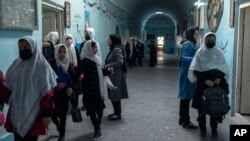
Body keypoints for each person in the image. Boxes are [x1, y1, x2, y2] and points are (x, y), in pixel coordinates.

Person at [0, 36, 57, 141]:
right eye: (20, 47)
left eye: (26, 47)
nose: (23, 50)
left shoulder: (42, 66)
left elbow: (47, 92)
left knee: (30, 138)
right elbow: (10, 88)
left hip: (34, 112)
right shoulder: (16, 64)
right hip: (17, 110)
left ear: (33, 47)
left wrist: (46, 114)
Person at [188, 32, 229, 139]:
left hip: (216, 83)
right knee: (201, 108)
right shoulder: (200, 53)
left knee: (215, 107)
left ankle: (214, 129)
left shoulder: (218, 53)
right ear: (205, 40)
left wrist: (218, 78)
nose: (211, 41)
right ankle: (203, 130)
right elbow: (195, 70)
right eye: (208, 39)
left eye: (212, 39)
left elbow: (223, 68)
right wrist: (205, 80)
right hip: (203, 83)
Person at [79, 40, 113, 140]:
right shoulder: (84, 61)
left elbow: (102, 72)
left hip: (98, 90)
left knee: (100, 111)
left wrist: (108, 71)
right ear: (88, 48)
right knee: (92, 110)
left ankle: (97, 125)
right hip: (88, 90)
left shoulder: (97, 59)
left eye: (96, 47)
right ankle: (97, 130)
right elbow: (78, 73)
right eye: (93, 47)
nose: (96, 49)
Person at [49, 44, 76, 141]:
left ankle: (62, 134)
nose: (62, 54)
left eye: (64, 52)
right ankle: (58, 124)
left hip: (64, 93)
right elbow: (47, 77)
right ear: (56, 52)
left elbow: (73, 78)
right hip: (53, 92)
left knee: (63, 114)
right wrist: (56, 84)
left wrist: (68, 85)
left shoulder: (69, 63)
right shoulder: (52, 62)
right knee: (53, 114)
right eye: (59, 52)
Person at [178, 27, 199, 129]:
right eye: (195, 34)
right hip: (187, 75)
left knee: (185, 97)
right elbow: (183, 59)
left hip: (186, 73)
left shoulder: (189, 44)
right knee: (186, 97)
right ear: (191, 34)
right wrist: (197, 58)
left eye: (197, 34)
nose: (197, 36)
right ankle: (186, 121)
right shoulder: (189, 45)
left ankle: (182, 119)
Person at [105, 34, 129, 120]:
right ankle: (116, 112)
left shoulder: (116, 49)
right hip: (113, 75)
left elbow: (120, 62)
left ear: (113, 40)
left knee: (115, 95)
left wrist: (108, 65)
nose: (107, 40)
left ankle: (117, 114)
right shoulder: (113, 49)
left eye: (109, 39)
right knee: (114, 95)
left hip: (116, 76)